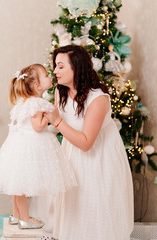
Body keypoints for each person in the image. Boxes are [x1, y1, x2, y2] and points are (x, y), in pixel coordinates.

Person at [44, 45, 134, 240]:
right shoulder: (61, 93)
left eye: (60, 66)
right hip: (72, 160)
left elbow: (86, 143)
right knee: (73, 214)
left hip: (99, 163)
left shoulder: (98, 99)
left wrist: (57, 120)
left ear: (76, 67)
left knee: (96, 213)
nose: (55, 71)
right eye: (55, 66)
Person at [0, 64, 77, 230]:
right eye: (47, 76)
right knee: (22, 187)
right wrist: (50, 116)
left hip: (19, 145)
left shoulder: (25, 101)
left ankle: (16, 215)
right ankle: (25, 218)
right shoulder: (38, 103)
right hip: (31, 146)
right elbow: (38, 126)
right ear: (37, 86)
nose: (50, 77)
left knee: (17, 185)